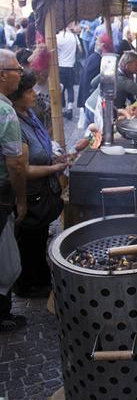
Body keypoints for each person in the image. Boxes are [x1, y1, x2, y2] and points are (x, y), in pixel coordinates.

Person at [10, 69, 66, 298]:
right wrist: (54, 168)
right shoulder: (15, 124)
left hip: (42, 192)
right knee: (29, 242)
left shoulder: (29, 114)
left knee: (40, 237)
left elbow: (42, 145)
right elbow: (23, 169)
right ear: (17, 96)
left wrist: (55, 157)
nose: (34, 94)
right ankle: (27, 284)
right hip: (30, 194)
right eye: (29, 91)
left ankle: (41, 277)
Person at [0, 49, 28, 332]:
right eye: (16, 69)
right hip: (1, 193)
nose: (20, 73)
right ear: (2, 75)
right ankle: (2, 314)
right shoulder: (5, 110)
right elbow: (16, 164)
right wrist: (21, 200)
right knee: (6, 261)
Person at [77, 34, 113, 126]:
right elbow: (89, 82)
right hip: (91, 99)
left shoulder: (96, 58)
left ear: (103, 45)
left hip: (89, 98)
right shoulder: (96, 59)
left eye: (98, 41)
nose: (95, 42)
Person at [57, 24, 81, 120]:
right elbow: (80, 49)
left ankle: (62, 109)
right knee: (70, 87)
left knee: (61, 88)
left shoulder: (57, 37)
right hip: (71, 66)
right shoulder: (73, 36)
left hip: (60, 66)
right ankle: (70, 107)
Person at [28, 45, 52, 132]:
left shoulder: (55, 87)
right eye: (37, 74)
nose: (42, 78)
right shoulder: (28, 85)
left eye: (45, 74)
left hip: (48, 128)